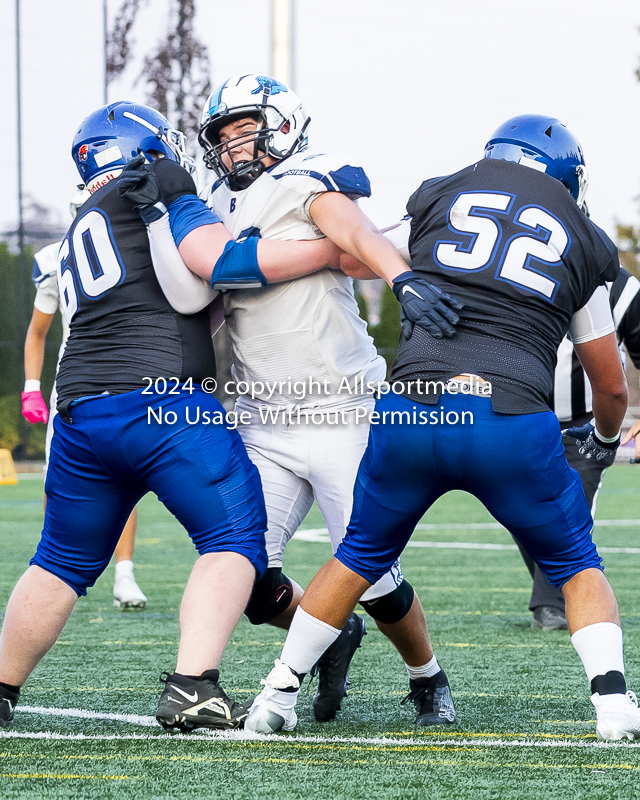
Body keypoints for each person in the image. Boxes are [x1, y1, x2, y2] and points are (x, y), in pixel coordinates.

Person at [245, 114, 640, 742]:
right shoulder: (584, 238)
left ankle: (275, 696)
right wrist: (607, 437)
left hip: (413, 408)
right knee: (574, 564)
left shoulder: (439, 192)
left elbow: (356, 257)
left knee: (357, 558)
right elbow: (610, 382)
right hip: (508, 417)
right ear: (569, 176)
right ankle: (614, 705)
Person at [0, 100, 350, 732]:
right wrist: (332, 248)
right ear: (147, 146)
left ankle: (1, 689)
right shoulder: (157, 191)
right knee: (236, 540)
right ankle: (194, 688)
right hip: (162, 399)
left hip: (81, 409)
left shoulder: (86, 217)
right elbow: (208, 276)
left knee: (59, 559)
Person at [130, 73, 463, 730]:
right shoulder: (212, 207)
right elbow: (209, 287)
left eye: (244, 128)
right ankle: (334, 641)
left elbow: (354, 230)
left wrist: (401, 277)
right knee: (244, 566)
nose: (232, 145)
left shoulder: (307, 178)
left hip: (341, 405)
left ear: (282, 124)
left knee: (371, 572)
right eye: (222, 136)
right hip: (262, 418)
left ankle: (427, 677)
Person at [23, 195, 147, 611]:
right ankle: (52, 572)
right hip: (74, 384)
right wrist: (30, 387)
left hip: (127, 380)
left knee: (125, 478)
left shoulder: (142, 247)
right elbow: (38, 331)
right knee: (57, 483)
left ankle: (124, 574)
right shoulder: (55, 259)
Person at [519, 266, 640, 630]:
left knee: (571, 504)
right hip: (518, 413)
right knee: (520, 509)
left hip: (586, 421)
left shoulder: (621, 287)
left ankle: (551, 604)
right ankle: (558, 592)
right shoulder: (510, 268)